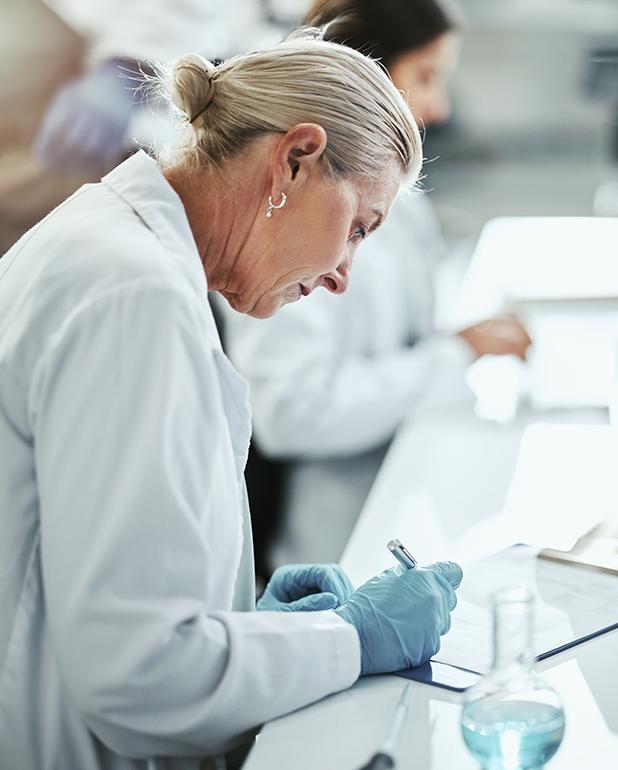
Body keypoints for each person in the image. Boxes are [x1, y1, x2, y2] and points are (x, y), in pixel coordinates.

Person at [0, 34, 462, 770]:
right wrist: (351, 639)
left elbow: (94, 574)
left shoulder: (106, 242)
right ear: (294, 159)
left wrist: (247, 623)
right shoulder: (135, 297)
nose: (342, 276)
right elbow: (141, 681)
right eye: (358, 227)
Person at [219, 0, 532, 570]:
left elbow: (396, 333)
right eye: (427, 77)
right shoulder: (287, 224)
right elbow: (288, 412)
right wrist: (451, 355)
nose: (439, 106)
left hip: (401, 504)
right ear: (368, 79)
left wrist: (457, 345)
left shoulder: (395, 202)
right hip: (334, 550)